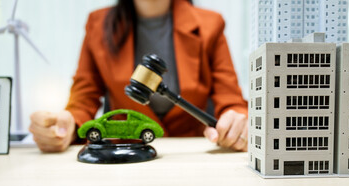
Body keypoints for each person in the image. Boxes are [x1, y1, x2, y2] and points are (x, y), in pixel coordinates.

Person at [29, 0, 248, 152]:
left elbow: (232, 101)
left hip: (193, 156)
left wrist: (239, 124)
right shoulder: (98, 25)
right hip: (126, 159)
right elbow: (82, 101)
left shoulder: (211, 24)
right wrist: (66, 125)